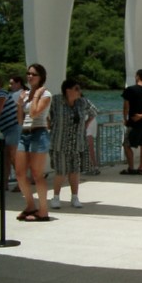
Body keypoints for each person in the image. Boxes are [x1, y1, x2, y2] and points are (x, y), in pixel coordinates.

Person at [49, 79, 97, 209]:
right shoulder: (56, 101)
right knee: (61, 171)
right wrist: (50, 127)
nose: (79, 91)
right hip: (60, 142)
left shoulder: (82, 102)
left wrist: (86, 124)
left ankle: (75, 197)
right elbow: (47, 115)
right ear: (68, 90)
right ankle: (56, 197)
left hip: (76, 143)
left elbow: (94, 112)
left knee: (75, 170)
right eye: (76, 88)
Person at [15, 63, 52, 222]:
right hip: (25, 134)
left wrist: (35, 96)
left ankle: (43, 211)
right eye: (28, 73)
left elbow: (35, 112)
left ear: (41, 77)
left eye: (33, 74)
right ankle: (30, 205)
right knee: (20, 174)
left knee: (37, 174)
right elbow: (20, 120)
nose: (29, 76)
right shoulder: (25, 94)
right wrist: (20, 103)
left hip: (39, 133)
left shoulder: (45, 94)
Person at [120, 69, 142, 175]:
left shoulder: (130, 90)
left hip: (133, 122)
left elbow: (126, 106)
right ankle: (141, 168)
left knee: (127, 145)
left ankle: (131, 167)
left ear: (137, 77)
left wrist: (125, 118)